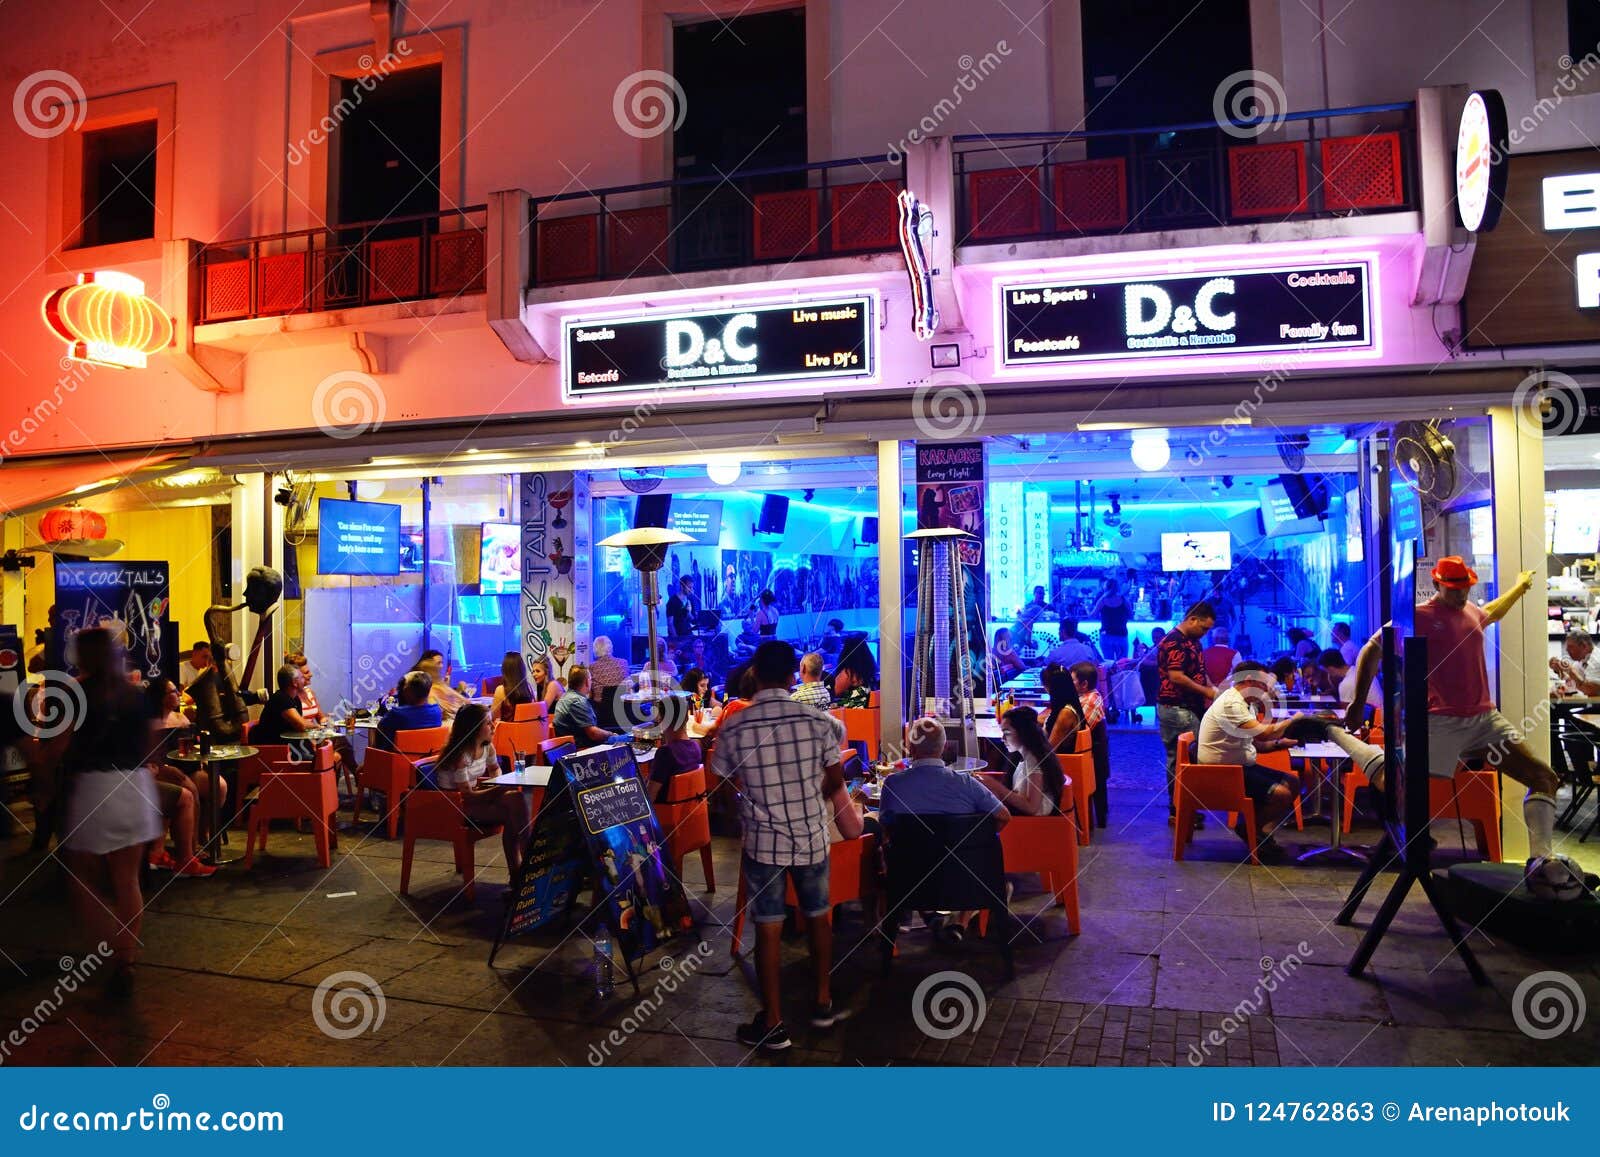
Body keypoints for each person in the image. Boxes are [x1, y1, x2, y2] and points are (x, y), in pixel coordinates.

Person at [1345, 557, 1562, 882]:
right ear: (1436, 584)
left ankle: (1540, 862)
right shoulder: (1416, 616)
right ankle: (1391, 806)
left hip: (1485, 720)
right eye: (1455, 588)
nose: (1462, 595)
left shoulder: (1472, 612)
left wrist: (1519, 586)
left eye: (1466, 588)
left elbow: (1494, 610)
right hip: (1441, 722)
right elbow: (1371, 650)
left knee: (1544, 778)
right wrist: (1357, 702)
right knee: (1405, 786)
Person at [714, 641, 861, 1051]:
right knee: (818, 917)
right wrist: (807, 796)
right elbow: (836, 780)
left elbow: (723, 786)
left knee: (769, 928)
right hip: (811, 836)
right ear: (791, 677)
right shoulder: (820, 722)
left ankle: (774, 1022)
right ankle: (822, 1001)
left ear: (756, 675)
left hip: (763, 842)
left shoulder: (736, 724)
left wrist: (745, 808)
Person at [55, 628, 164, 996]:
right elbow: (151, 743)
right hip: (135, 787)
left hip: (95, 787)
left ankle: (107, 940)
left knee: (81, 878)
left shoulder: (77, 694)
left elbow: (60, 744)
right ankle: (126, 958)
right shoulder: (135, 695)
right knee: (127, 878)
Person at [880, 716, 1010, 941]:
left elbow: (887, 830)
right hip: (968, 881)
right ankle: (960, 922)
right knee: (982, 862)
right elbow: (1003, 815)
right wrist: (980, 841)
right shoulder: (967, 784)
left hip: (910, 883)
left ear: (910, 747)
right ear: (944, 747)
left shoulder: (893, 785)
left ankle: (927, 917)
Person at [1196, 661, 1304, 861]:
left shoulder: (1247, 703)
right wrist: (1295, 720)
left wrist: (1282, 744)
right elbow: (1262, 735)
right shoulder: (1231, 703)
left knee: (1293, 782)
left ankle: (1259, 833)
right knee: (1281, 794)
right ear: (1248, 681)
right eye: (1263, 685)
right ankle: (1250, 830)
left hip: (1239, 766)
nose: (1265, 691)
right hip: (1222, 772)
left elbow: (1257, 744)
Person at [430, 703, 532, 883]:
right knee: (515, 807)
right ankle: (526, 866)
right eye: (488, 723)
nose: (493, 726)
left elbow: (495, 769)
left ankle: (520, 871)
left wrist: (497, 783)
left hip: (470, 799)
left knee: (516, 800)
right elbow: (467, 796)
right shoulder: (461, 755)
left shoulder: (487, 747)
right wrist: (498, 789)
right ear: (474, 728)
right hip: (452, 806)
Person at [142, 679, 218, 878]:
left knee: (219, 785)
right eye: (173, 691)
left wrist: (199, 755)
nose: (178, 694)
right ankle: (189, 850)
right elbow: (149, 756)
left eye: (177, 690)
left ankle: (203, 836)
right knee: (190, 789)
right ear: (161, 697)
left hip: (185, 767)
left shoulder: (182, 718)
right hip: (162, 770)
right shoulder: (149, 723)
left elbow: (189, 750)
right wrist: (164, 768)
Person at [1158, 601, 1219, 824]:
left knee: (1190, 759)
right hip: (1176, 707)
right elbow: (1176, 676)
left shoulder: (1192, 641)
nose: (1205, 633)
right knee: (1180, 759)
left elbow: (1199, 672)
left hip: (1188, 707)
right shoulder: (1175, 641)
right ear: (1192, 619)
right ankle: (1178, 810)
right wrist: (1207, 691)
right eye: (1203, 628)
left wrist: (1212, 689)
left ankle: (1186, 807)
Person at [981, 706, 1064, 816]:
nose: (1003, 738)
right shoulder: (1026, 755)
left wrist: (996, 786)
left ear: (1022, 732)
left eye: (1007, 733)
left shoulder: (1034, 760)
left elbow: (1031, 808)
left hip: (1031, 825)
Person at [1073, 661, 1112, 828]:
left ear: (1084, 684)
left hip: (1093, 758)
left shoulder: (1090, 700)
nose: (1069, 683)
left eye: (1072, 680)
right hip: (1094, 755)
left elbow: (1075, 728)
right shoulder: (1089, 696)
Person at [645, 693, 703, 803]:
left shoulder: (665, 753)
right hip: (690, 812)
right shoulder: (696, 747)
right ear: (686, 718)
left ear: (662, 720)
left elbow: (649, 797)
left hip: (664, 814)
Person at [375, 671, 443, 752]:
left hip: (395, 762)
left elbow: (380, 737)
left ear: (408, 691)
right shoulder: (437, 711)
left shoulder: (396, 714)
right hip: (426, 761)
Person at [551, 665, 620, 746]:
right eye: (591, 680)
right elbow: (594, 734)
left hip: (569, 746)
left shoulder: (565, 697)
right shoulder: (578, 701)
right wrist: (611, 734)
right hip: (582, 748)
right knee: (630, 738)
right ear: (587, 682)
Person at [249, 664, 311, 747]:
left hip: (287, 745)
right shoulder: (280, 698)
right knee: (318, 756)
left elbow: (300, 728)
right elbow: (302, 724)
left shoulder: (295, 699)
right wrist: (321, 727)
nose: (305, 679)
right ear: (294, 683)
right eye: (302, 677)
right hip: (274, 748)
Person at [414, 650, 468, 721]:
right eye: (438, 663)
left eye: (442, 663)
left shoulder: (439, 684)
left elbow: (452, 701)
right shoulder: (427, 688)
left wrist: (459, 690)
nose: (441, 666)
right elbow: (445, 711)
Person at [1042, 665, 1083, 754]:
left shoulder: (1066, 713)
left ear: (1051, 688)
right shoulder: (1066, 703)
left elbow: (1049, 752)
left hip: (1060, 763)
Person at [1550, 629, 1600, 697]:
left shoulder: (1596, 660)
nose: (1567, 650)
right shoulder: (1582, 660)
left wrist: (1571, 671)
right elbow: (1572, 682)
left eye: (1570, 647)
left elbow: (1591, 690)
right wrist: (1558, 670)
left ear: (1583, 646)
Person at [1092, 579, 1132, 661]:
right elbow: (1131, 615)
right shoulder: (1124, 600)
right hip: (1121, 635)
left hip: (1106, 635)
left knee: (1109, 663)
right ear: (1118, 587)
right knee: (1122, 663)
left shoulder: (1102, 600)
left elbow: (1093, 615)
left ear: (1106, 587)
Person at [491, 651, 536, 721]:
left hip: (508, 730)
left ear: (504, 669)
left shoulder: (500, 690)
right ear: (522, 669)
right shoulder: (529, 688)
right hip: (529, 730)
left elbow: (492, 716)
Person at [283, 651, 321, 723]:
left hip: (311, 733)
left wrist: (327, 722)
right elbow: (301, 725)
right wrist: (318, 727)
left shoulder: (310, 692)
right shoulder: (289, 698)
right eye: (306, 672)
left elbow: (321, 718)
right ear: (295, 677)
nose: (311, 675)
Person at [1013, 584, 1052, 649]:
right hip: (1025, 635)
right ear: (1034, 593)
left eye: (1043, 593)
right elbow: (1024, 619)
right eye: (1039, 593)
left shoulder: (1049, 607)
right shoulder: (1027, 606)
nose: (1041, 595)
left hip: (1044, 635)